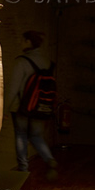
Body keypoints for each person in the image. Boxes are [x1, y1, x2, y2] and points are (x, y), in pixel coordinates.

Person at [5, 30, 58, 179]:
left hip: (21, 107)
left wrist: (5, 109)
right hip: (41, 107)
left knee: (21, 135)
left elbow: (13, 89)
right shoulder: (48, 62)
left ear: (29, 42)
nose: (20, 43)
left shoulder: (21, 61)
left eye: (23, 40)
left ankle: (23, 169)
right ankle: (49, 159)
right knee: (36, 135)